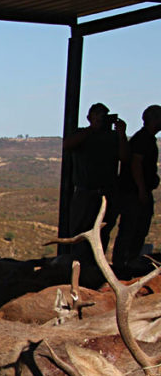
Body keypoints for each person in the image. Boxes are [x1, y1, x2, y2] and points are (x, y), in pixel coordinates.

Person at [63, 102, 128, 260]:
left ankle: (95, 268)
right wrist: (92, 128)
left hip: (106, 193)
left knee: (102, 234)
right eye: (97, 115)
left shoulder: (113, 137)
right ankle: (77, 266)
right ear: (89, 118)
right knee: (79, 235)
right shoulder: (82, 134)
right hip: (85, 193)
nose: (101, 119)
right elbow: (67, 144)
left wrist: (121, 134)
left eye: (103, 116)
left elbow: (125, 157)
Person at [112, 105, 161, 269]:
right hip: (134, 193)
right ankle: (124, 263)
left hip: (135, 191)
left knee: (135, 228)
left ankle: (126, 261)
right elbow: (136, 164)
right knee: (132, 228)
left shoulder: (144, 138)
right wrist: (141, 189)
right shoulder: (143, 139)